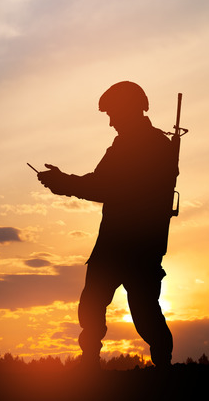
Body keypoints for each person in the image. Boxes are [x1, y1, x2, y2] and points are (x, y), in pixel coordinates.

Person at [37, 81, 176, 369]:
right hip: (119, 245)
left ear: (129, 109)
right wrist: (63, 182)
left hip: (135, 247)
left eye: (113, 113)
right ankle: (91, 364)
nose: (111, 122)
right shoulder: (131, 144)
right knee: (94, 305)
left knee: (144, 315)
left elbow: (104, 186)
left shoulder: (149, 145)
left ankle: (162, 369)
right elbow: (103, 184)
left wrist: (62, 182)